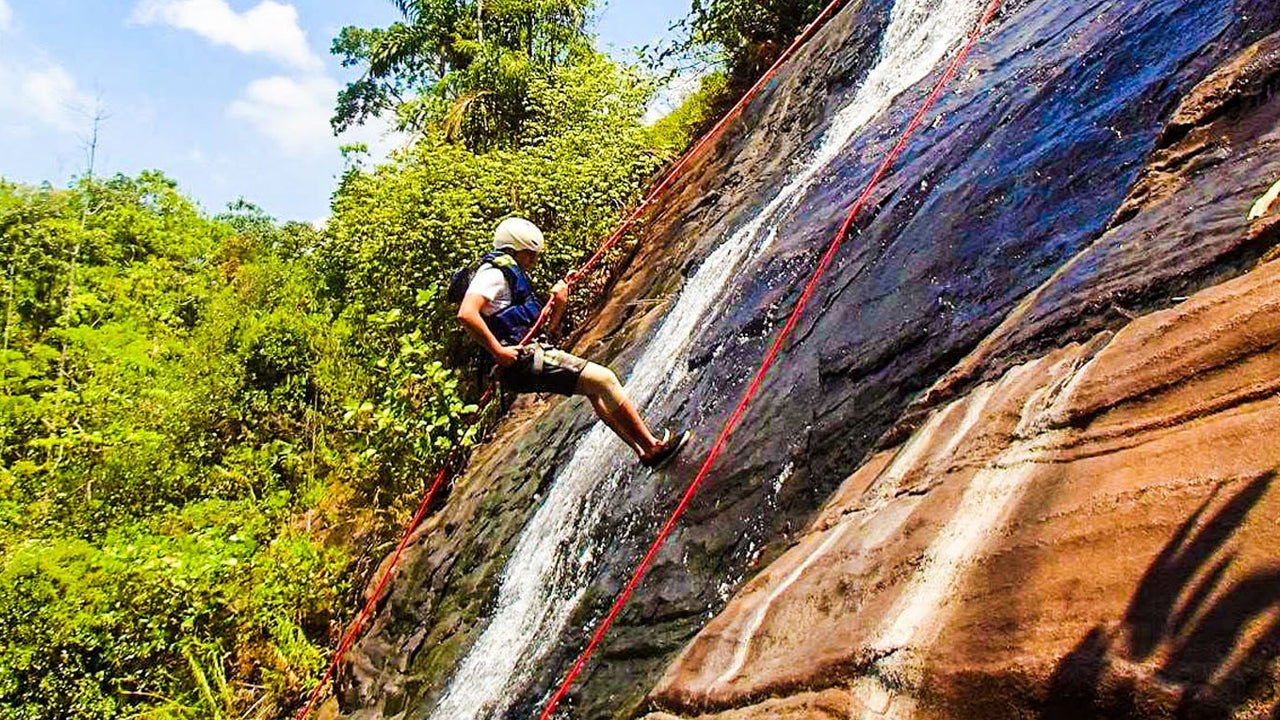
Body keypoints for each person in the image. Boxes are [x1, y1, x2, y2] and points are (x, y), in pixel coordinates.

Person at [456, 217, 690, 468]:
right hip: (521, 361)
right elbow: (467, 313)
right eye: (529, 255)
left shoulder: (508, 279)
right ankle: (653, 447)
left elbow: (545, 333)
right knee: (605, 380)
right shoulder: (493, 274)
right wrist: (499, 351)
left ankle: (644, 452)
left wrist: (560, 302)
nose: (532, 262)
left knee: (595, 390)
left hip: (528, 357)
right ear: (513, 250)